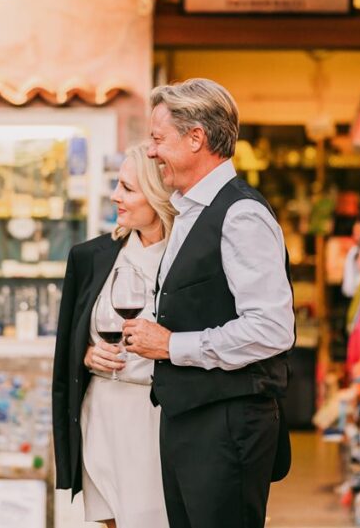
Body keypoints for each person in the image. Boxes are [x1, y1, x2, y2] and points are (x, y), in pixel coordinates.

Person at [123, 78, 295, 528]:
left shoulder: (241, 214)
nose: (152, 152)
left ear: (196, 138)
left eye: (159, 139)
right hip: (191, 419)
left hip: (227, 425)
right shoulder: (189, 210)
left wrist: (172, 345)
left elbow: (272, 329)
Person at [53, 143, 177, 528]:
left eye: (127, 188)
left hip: (155, 420)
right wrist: (88, 354)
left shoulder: (186, 260)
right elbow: (69, 343)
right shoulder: (91, 256)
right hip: (101, 412)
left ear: (156, 196)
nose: (115, 196)